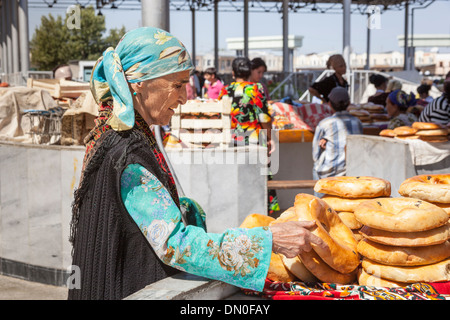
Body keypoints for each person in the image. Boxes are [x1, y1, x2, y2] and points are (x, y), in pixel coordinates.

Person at [68, 27, 325, 300]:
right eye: (176, 85)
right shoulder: (128, 152)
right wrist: (268, 240)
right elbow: (175, 244)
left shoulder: (116, 133)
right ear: (137, 83)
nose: (184, 98)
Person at [218, 57, 278, 215]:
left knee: (237, 178)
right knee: (259, 177)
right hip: (254, 140)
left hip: (231, 141)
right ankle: (261, 213)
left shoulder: (225, 90)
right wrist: (270, 137)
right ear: (249, 71)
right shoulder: (255, 88)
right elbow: (263, 117)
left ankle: (240, 212)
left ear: (233, 73)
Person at [312, 87, 363, 188]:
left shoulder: (324, 124)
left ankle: (319, 200)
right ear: (349, 103)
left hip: (329, 173)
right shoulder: (358, 122)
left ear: (329, 104)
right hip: (352, 172)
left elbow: (315, 154)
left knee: (315, 169)